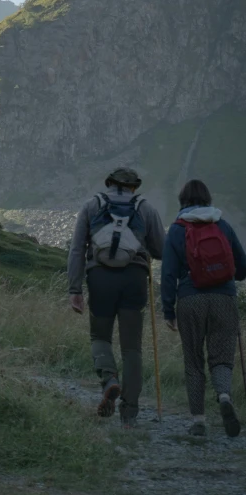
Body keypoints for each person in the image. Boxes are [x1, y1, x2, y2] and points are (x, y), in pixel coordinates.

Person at [68, 168, 165, 427]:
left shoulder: (92, 205)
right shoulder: (146, 208)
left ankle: (110, 379)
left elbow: (77, 249)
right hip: (134, 278)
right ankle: (129, 412)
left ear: (109, 184)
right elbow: (160, 250)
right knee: (132, 347)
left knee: (99, 336)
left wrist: (75, 289)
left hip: (100, 278)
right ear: (134, 187)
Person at [161, 179, 246, 437]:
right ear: (208, 199)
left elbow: (168, 274)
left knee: (194, 360)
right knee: (221, 358)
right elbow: (242, 269)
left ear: (182, 202)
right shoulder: (222, 225)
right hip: (224, 299)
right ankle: (223, 396)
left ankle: (198, 420)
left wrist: (168, 311)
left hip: (190, 300)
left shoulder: (177, 230)